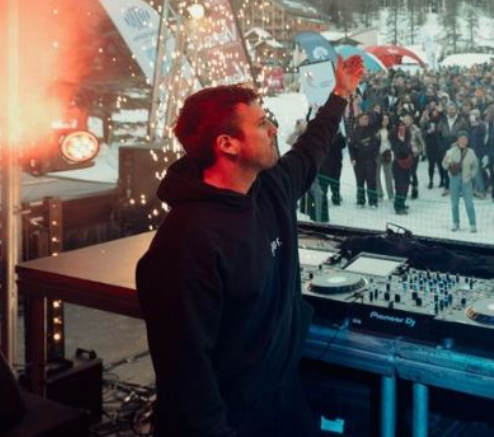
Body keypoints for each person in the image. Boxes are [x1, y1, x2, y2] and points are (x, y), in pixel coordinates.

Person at [136, 55, 366, 437]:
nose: (274, 129)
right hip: (231, 419)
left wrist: (341, 93)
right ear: (227, 144)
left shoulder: (268, 188)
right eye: (261, 123)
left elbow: (311, 150)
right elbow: (186, 376)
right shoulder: (186, 244)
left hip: (282, 401)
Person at [442, 131, 479, 232]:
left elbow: (475, 166)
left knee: (469, 203)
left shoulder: (471, 152)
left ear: (467, 141)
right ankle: (456, 222)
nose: (463, 140)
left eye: (465, 139)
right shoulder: (451, 151)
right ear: (457, 140)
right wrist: (445, 160)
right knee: (454, 203)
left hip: (466, 180)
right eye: (461, 138)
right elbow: (444, 166)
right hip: (454, 179)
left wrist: (471, 175)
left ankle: (473, 224)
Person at [348, 112, 380, 208]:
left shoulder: (372, 129)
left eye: (367, 118)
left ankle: (373, 201)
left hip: (370, 160)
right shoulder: (354, 132)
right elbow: (351, 147)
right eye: (365, 118)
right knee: (360, 181)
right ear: (359, 120)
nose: (367, 120)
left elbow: (376, 143)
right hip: (359, 161)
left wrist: (375, 154)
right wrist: (353, 158)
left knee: (371, 181)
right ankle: (360, 201)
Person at [387, 119, 415, 215]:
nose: (402, 127)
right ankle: (398, 206)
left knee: (406, 185)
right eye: (400, 126)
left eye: (403, 125)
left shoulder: (407, 138)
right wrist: (402, 142)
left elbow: (409, 151)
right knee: (400, 187)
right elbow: (400, 152)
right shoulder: (394, 139)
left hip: (407, 165)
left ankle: (402, 203)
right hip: (398, 166)